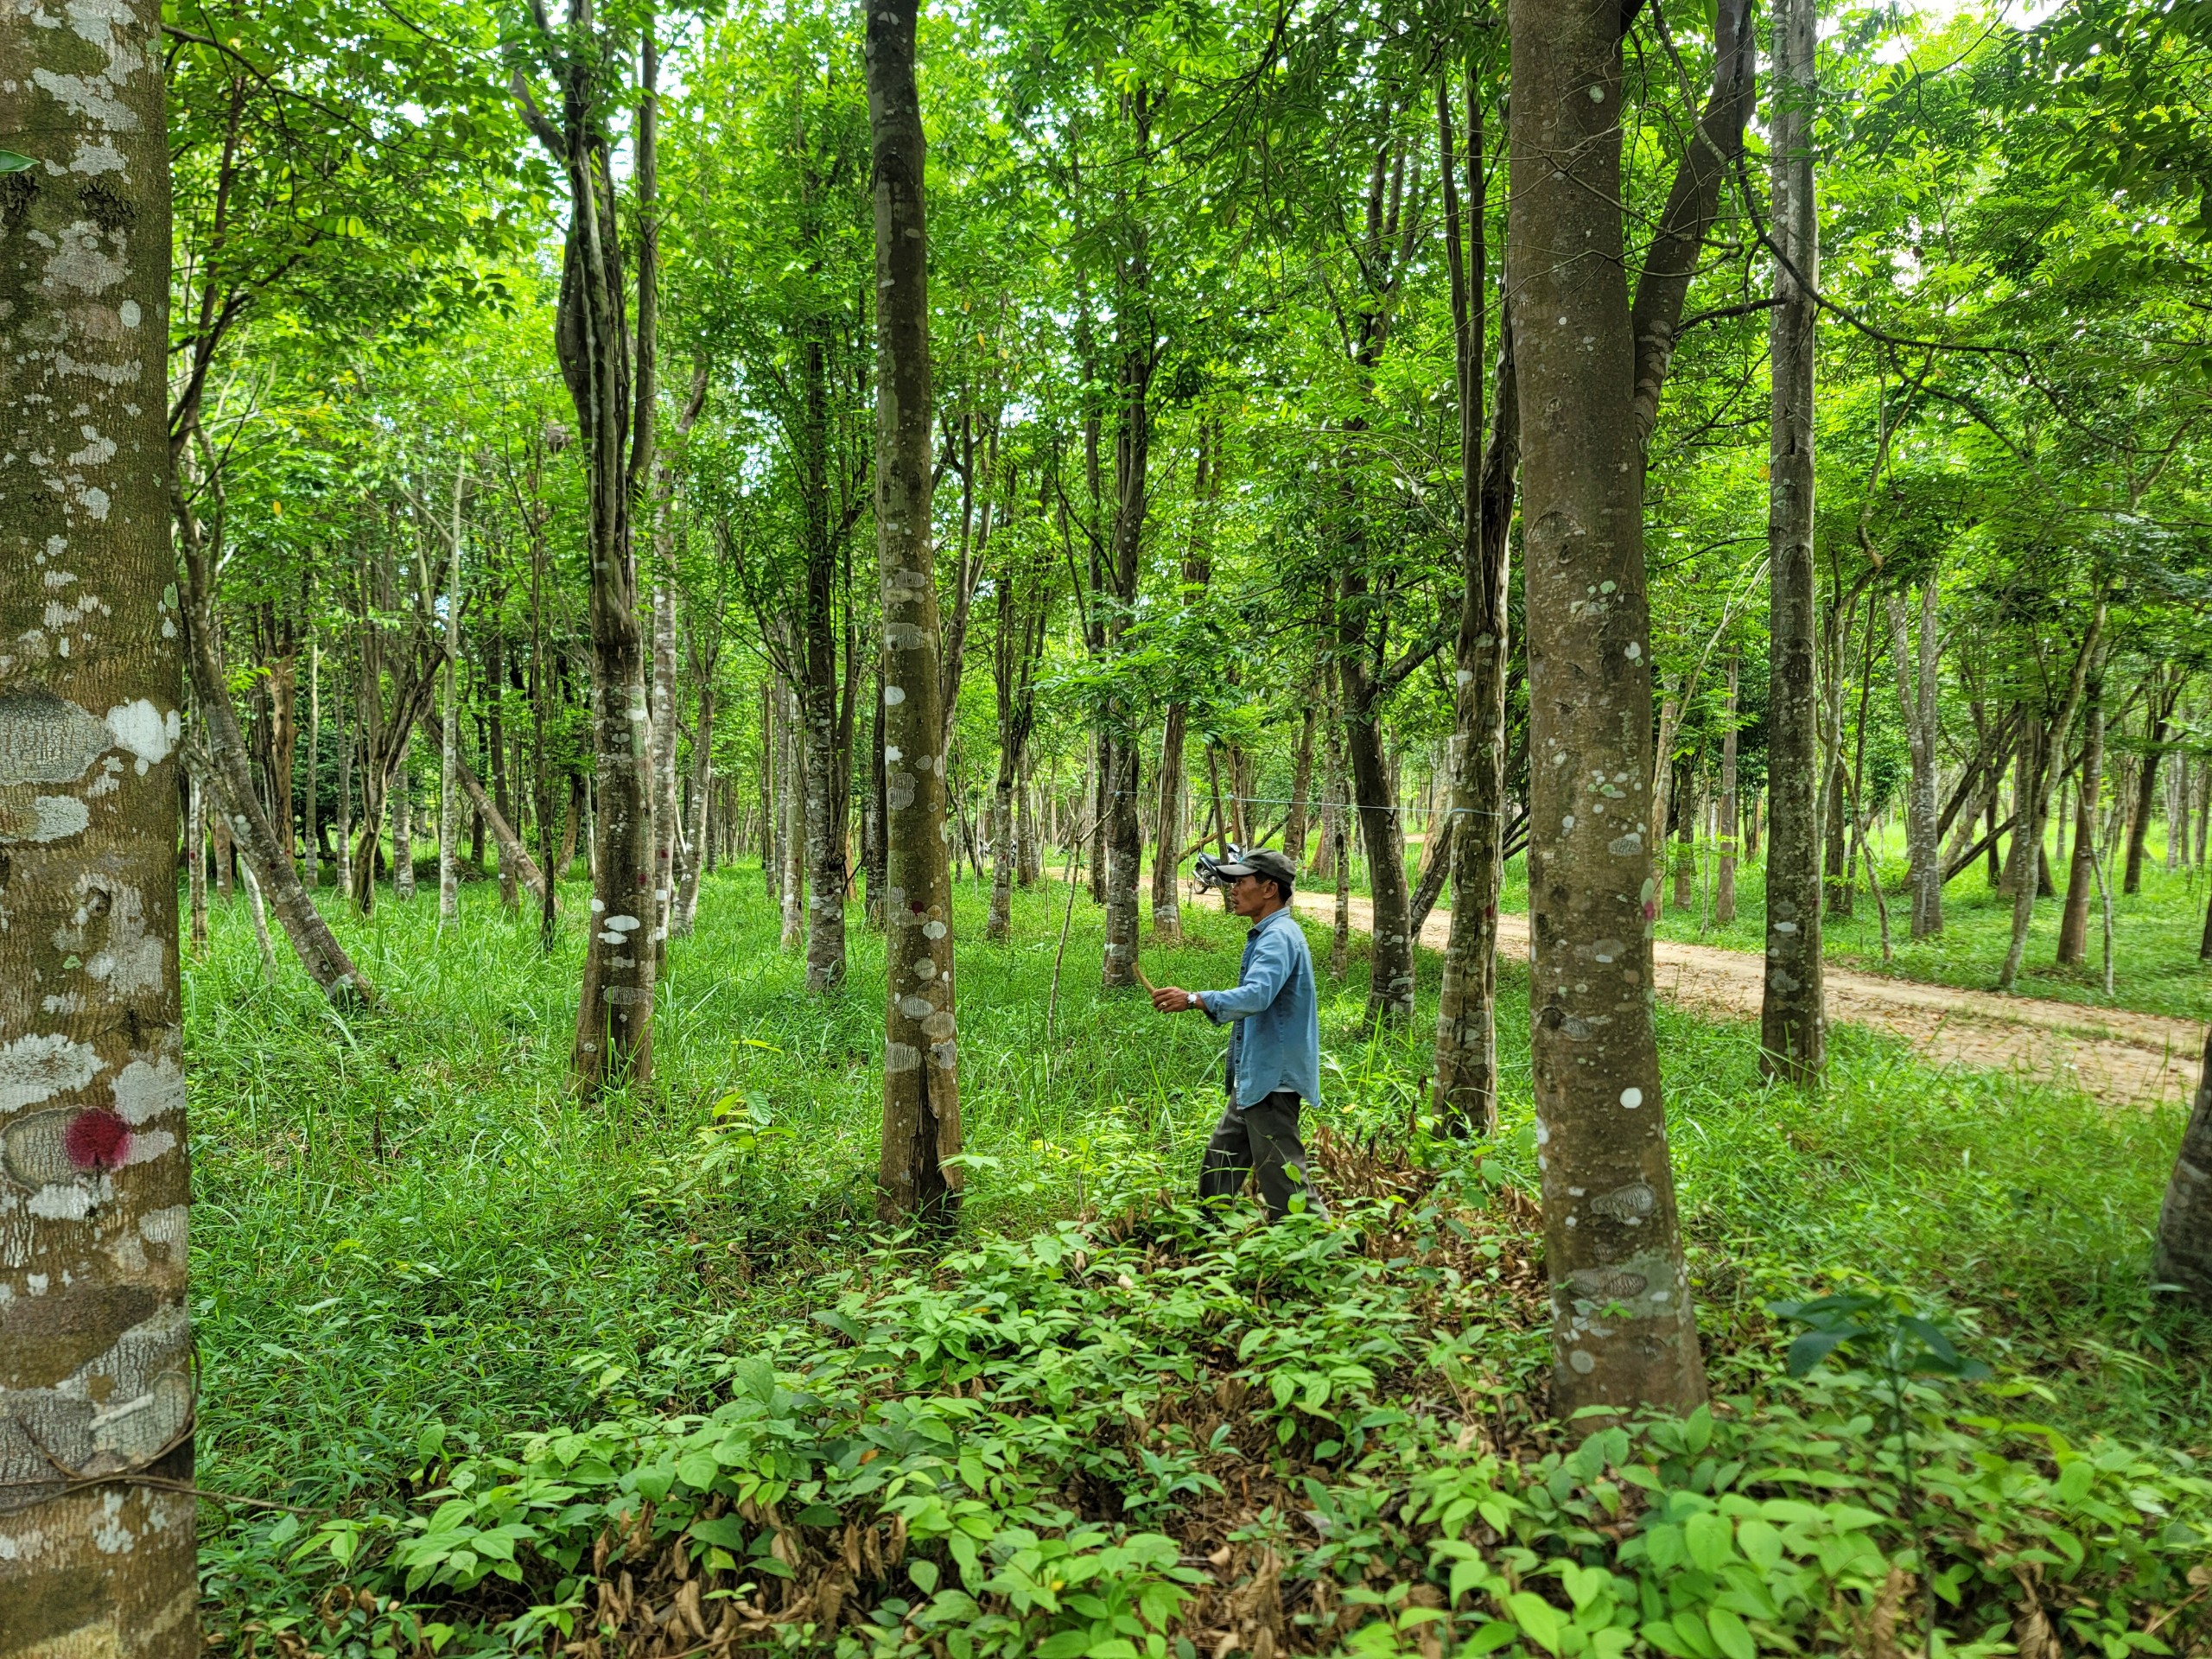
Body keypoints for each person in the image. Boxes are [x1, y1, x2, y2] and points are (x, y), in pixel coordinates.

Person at [1149, 848, 1328, 1221]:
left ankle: (1324, 1249)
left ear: (1269, 889)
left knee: (1285, 1184)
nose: (1232, 889)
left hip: (1273, 1082)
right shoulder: (1270, 933)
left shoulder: (1278, 937)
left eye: (1241, 882)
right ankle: (1207, 1236)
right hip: (1256, 1079)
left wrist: (1195, 999)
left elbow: (1257, 995)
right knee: (1220, 1163)